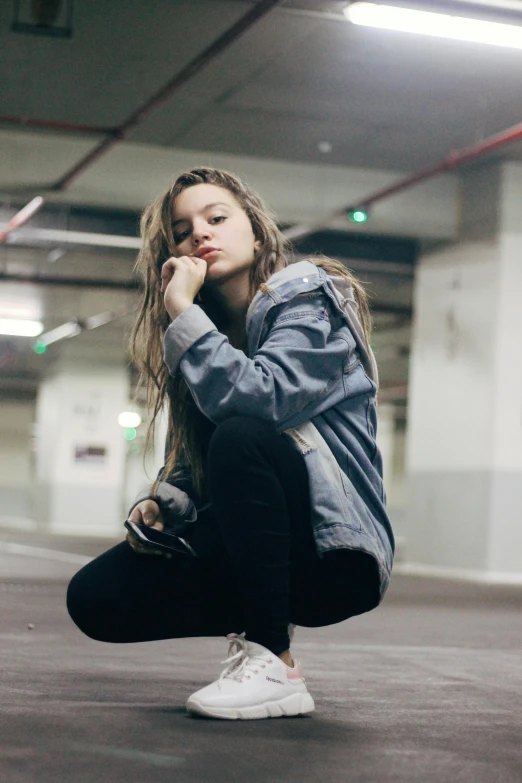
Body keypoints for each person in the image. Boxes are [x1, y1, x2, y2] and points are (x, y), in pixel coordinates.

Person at [66, 167, 394, 720]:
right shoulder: (206, 338)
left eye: (217, 218)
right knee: (97, 597)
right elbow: (197, 463)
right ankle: (260, 631)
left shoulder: (308, 297)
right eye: (182, 229)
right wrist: (166, 502)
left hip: (335, 556)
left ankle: (273, 660)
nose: (199, 233)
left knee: (244, 433)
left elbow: (260, 402)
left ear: (258, 234)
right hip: (268, 554)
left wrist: (183, 312)